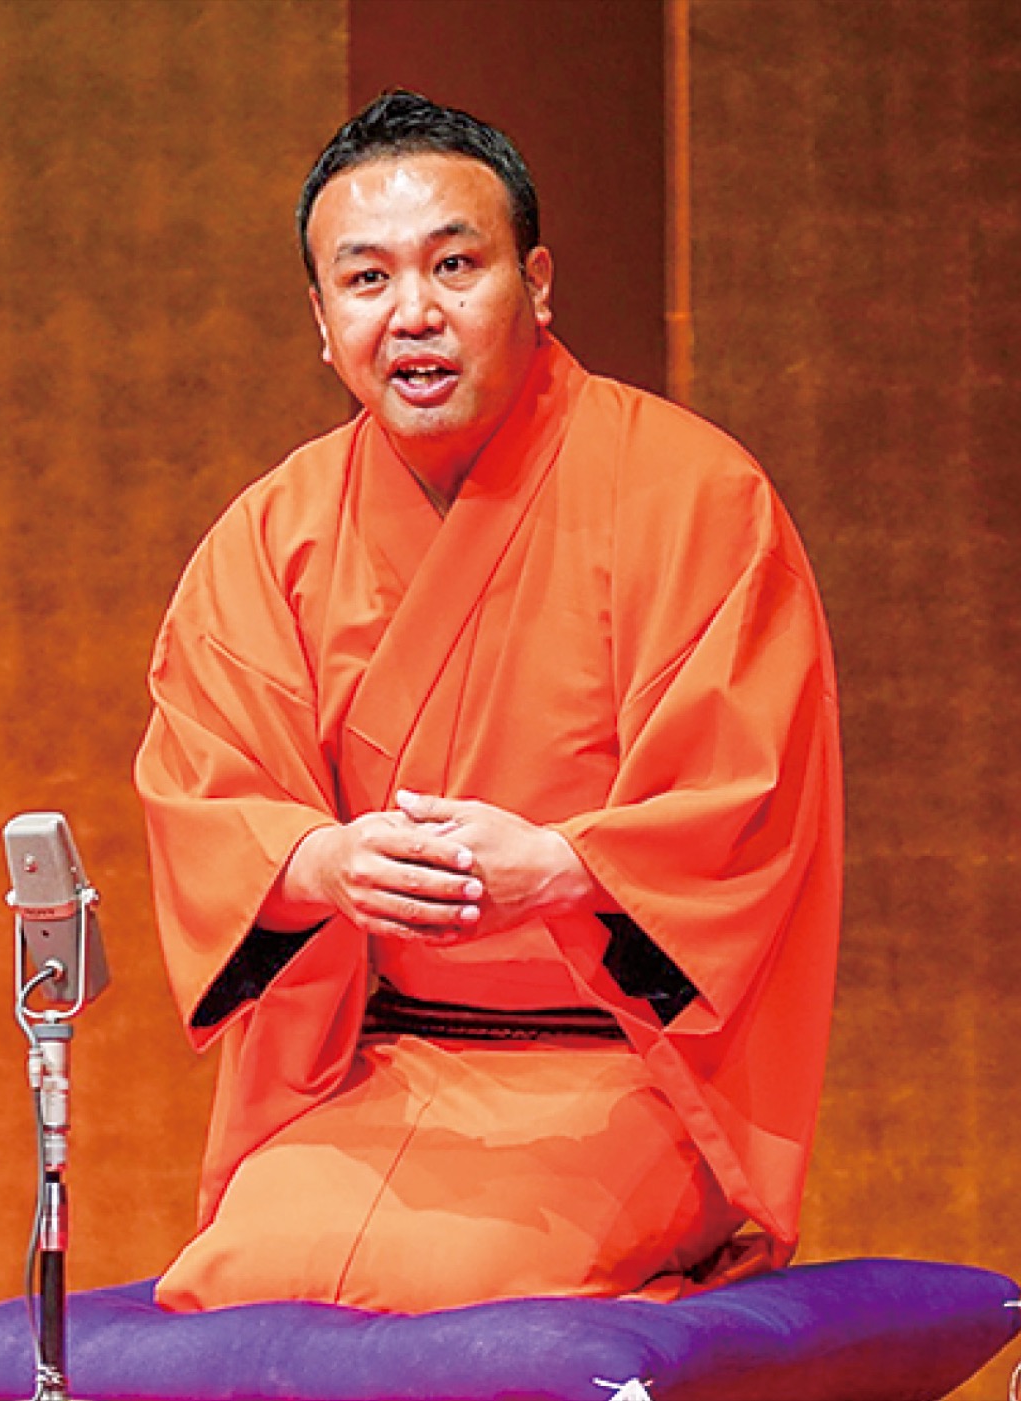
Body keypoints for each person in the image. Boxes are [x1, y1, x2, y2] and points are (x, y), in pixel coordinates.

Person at [135, 91, 842, 1315]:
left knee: (473, 1292)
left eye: (455, 266)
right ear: (322, 322)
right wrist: (324, 862)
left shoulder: (693, 496)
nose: (413, 311)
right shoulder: (273, 534)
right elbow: (208, 792)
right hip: (371, 1061)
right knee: (240, 1283)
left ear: (538, 283)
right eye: (366, 279)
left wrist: (560, 868)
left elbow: (745, 802)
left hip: (628, 1067)